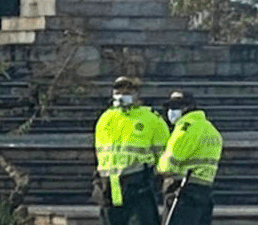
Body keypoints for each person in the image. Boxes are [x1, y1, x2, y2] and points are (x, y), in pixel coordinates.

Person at [93, 75, 171, 225]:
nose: (122, 96)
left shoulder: (151, 119)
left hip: (138, 184)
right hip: (109, 186)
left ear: (137, 94)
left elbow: (164, 154)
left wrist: (157, 177)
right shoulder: (105, 119)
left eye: (127, 93)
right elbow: (100, 154)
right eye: (118, 92)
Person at [157, 90, 223, 225]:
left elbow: (170, 161)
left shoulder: (185, 127)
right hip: (205, 190)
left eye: (175, 107)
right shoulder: (210, 129)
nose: (170, 111)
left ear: (186, 107)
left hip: (183, 190)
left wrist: (159, 168)